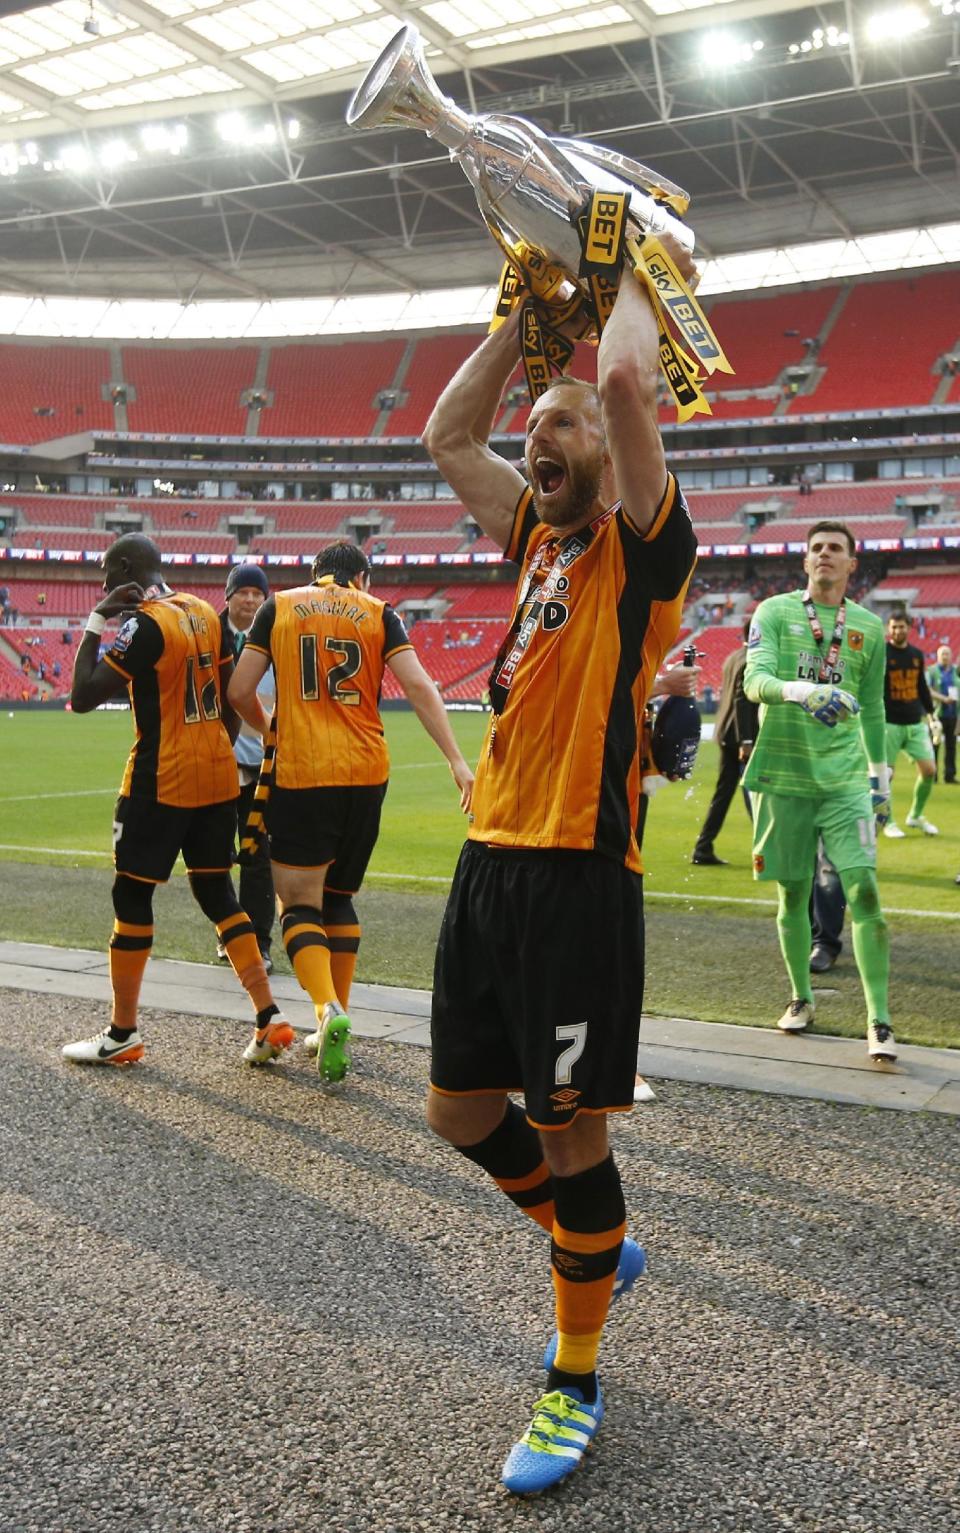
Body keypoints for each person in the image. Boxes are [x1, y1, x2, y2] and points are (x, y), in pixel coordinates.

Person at [421, 241, 698, 1495]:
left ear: (612, 455)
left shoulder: (645, 553)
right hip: (490, 866)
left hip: (581, 878)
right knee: (459, 1113)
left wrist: (630, 252)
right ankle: (591, 1242)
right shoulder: (533, 529)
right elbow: (443, 434)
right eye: (542, 422)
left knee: (567, 1128)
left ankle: (573, 1383)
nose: (545, 434)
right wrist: (521, 334)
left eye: (565, 423)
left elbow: (632, 386)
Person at [228, 540, 474, 1086]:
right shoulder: (379, 613)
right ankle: (338, 1010)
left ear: (315, 575)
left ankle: (326, 1010)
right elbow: (416, 684)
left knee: (296, 903)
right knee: (339, 898)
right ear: (361, 578)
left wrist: (270, 729)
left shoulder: (280, 606)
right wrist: (458, 762)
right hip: (367, 771)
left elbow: (239, 688)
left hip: (304, 770)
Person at [63, 533, 295, 1069]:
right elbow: (233, 695)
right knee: (218, 892)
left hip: (158, 779)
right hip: (215, 775)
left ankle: (122, 1032)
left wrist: (98, 619)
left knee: (132, 895)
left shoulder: (144, 624)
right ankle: (269, 1015)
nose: (102, 583)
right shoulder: (200, 610)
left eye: (105, 572)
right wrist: (219, 744)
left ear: (124, 568)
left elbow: (80, 697)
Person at [742, 521, 894, 1063]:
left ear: (853, 565)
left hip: (847, 778)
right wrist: (801, 690)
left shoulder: (870, 628)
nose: (825, 555)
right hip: (784, 774)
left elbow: (873, 708)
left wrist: (881, 779)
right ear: (805, 562)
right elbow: (753, 681)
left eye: (836, 549)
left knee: (865, 891)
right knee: (792, 894)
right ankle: (801, 998)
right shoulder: (775, 613)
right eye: (816, 549)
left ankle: (879, 1019)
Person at [218, 563, 277, 973]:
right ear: (229, 596)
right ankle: (229, 936)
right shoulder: (208, 634)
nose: (252, 600)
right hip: (216, 765)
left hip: (260, 766)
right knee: (216, 858)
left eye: (258, 593)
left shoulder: (277, 637)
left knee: (258, 857)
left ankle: (259, 942)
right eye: (244, 592)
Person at [691, 619, 758, 865]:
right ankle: (766, 850)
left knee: (725, 794)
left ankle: (703, 847)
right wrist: (747, 740)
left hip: (726, 733)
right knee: (754, 793)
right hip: (742, 737)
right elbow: (742, 701)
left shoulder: (734, 657)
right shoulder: (753, 659)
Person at [882, 612, 940, 838]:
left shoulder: (916, 654)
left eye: (902, 627)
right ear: (889, 629)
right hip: (889, 722)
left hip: (914, 721)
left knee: (929, 770)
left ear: (909, 628)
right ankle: (887, 821)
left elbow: (922, 686)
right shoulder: (883, 654)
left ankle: (915, 815)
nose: (898, 631)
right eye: (894, 627)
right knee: (886, 776)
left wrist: (931, 715)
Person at [926, 643, 957, 785]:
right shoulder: (932, 671)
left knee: (951, 746)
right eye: (942, 654)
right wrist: (944, 699)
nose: (945, 656)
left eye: (947, 654)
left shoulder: (956, 672)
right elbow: (927, 690)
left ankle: (949, 775)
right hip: (936, 714)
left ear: (951, 656)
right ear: (938, 656)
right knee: (934, 745)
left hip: (953, 714)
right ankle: (933, 775)